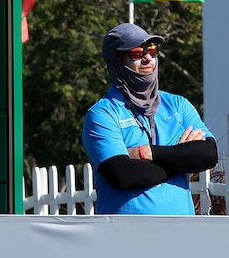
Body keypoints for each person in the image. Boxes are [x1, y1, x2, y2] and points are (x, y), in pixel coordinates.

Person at [82, 23, 218, 215]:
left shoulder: (178, 104)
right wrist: (182, 159)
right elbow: (123, 175)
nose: (148, 58)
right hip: (124, 230)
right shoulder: (102, 114)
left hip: (181, 229)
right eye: (137, 53)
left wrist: (147, 153)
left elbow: (208, 154)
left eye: (152, 50)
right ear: (116, 60)